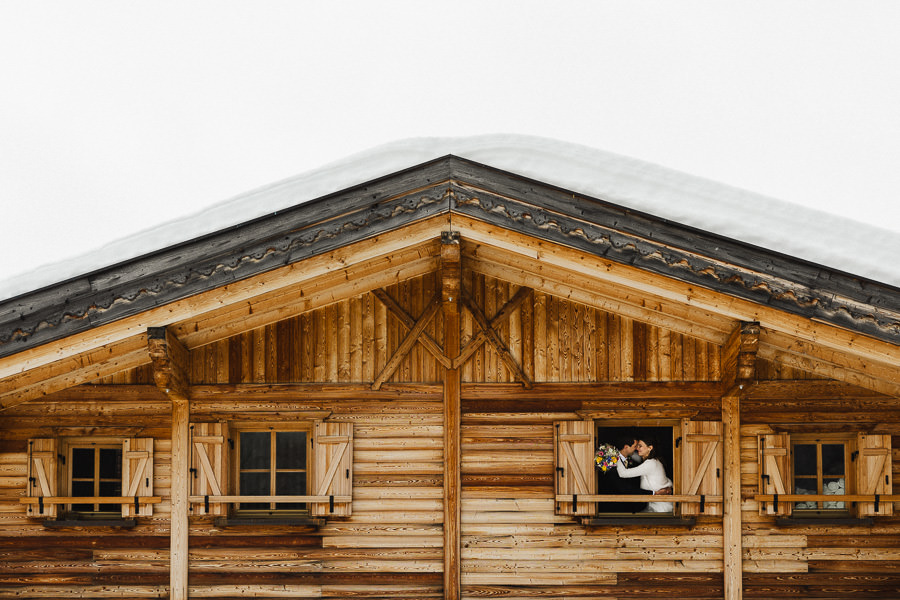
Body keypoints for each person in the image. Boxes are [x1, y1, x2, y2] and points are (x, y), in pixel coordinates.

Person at [615, 436, 674, 512]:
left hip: (661, 508)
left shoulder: (650, 463)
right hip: (653, 505)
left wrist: (616, 455)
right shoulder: (651, 461)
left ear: (650, 448)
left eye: (640, 446)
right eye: (636, 446)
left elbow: (623, 473)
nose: (637, 448)